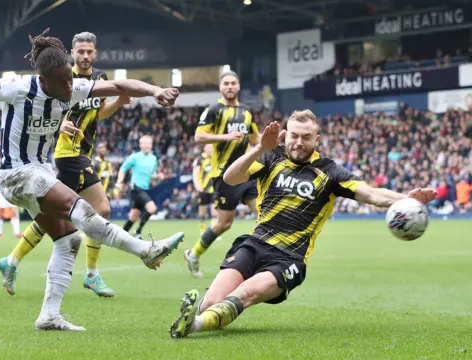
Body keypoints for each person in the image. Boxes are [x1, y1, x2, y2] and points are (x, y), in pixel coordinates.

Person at [0, 28, 184, 331]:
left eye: (70, 78)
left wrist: (155, 91)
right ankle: (145, 251)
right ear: (44, 80)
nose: (70, 84)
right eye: (63, 80)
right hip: (16, 173)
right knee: (83, 210)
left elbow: (116, 84)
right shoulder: (17, 87)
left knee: (68, 239)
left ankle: (49, 315)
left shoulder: (72, 88)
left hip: (40, 173)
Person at [168, 111, 437, 339]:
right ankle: (198, 314)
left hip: (288, 259)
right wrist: (260, 147)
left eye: (306, 137)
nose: (298, 142)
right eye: (294, 135)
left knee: (244, 294)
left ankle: (193, 324)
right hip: (254, 244)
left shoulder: (330, 172)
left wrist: (407, 199)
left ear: (316, 139)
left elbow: (372, 194)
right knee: (212, 303)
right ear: (285, 134)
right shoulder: (270, 157)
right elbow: (231, 176)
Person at [4, 32, 127, 298]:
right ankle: (92, 274)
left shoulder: (99, 78)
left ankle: (12, 260)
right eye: (80, 51)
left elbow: (97, 113)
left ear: (95, 53)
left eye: (89, 52)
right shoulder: (60, 77)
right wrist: (60, 125)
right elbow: (43, 110)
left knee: (54, 215)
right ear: (72, 53)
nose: (84, 56)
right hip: (66, 153)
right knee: (102, 208)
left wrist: (118, 103)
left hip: (83, 151)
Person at [184, 71, 259, 278]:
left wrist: (274, 144)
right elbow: (199, 137)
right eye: (226, 83)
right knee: (225, 223)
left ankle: (262, 260)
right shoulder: (214, 110)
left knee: (263, 214)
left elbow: (256, 138)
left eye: (233, 83)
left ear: (239, 86)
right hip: (224, 175)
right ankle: (193, 254)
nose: (229, 86)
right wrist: (226, 136)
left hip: (246, 173)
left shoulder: (247, 112)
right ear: (220, 87)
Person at [116, 135, 164, 239]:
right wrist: (120, 181)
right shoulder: (135, 157)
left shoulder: (153, 158)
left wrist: (158, 176)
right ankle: (138, 232)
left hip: (145, 188)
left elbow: (152, 175)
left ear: (151, 145)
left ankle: (120, 235)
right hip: (135, 188)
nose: (147, 145)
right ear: (140, 145)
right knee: (152, 208)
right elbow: (123, 168)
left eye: (149, 143)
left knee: (133, 216)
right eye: (145, 143)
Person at [192, 144, 216, 236]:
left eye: (211, 147)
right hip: (203, 189)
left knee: (215, 210)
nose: (210, 149)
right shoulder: (199, 159)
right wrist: (197, 185)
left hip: (214, 189)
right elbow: (195, 173)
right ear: (204, 148)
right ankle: (202, 229)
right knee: (203, 211)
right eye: (208, 147)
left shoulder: (216, 157)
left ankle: (213, 232)